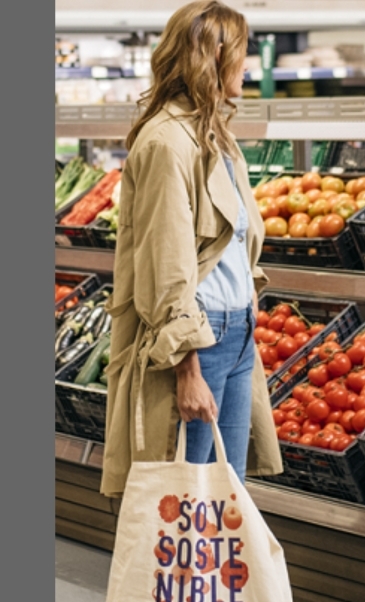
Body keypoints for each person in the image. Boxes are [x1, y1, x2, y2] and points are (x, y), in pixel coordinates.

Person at [100, 0, 283, 498]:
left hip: (238, 332)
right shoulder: (167, 143)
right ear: (212, 57)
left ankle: (217, 582)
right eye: (241, 53)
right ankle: (178, 582)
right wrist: (187, 369)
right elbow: (167, 262)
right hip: (200, 342)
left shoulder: (214, 135)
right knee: (184, 502)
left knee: (227, 497)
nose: (247, 65)